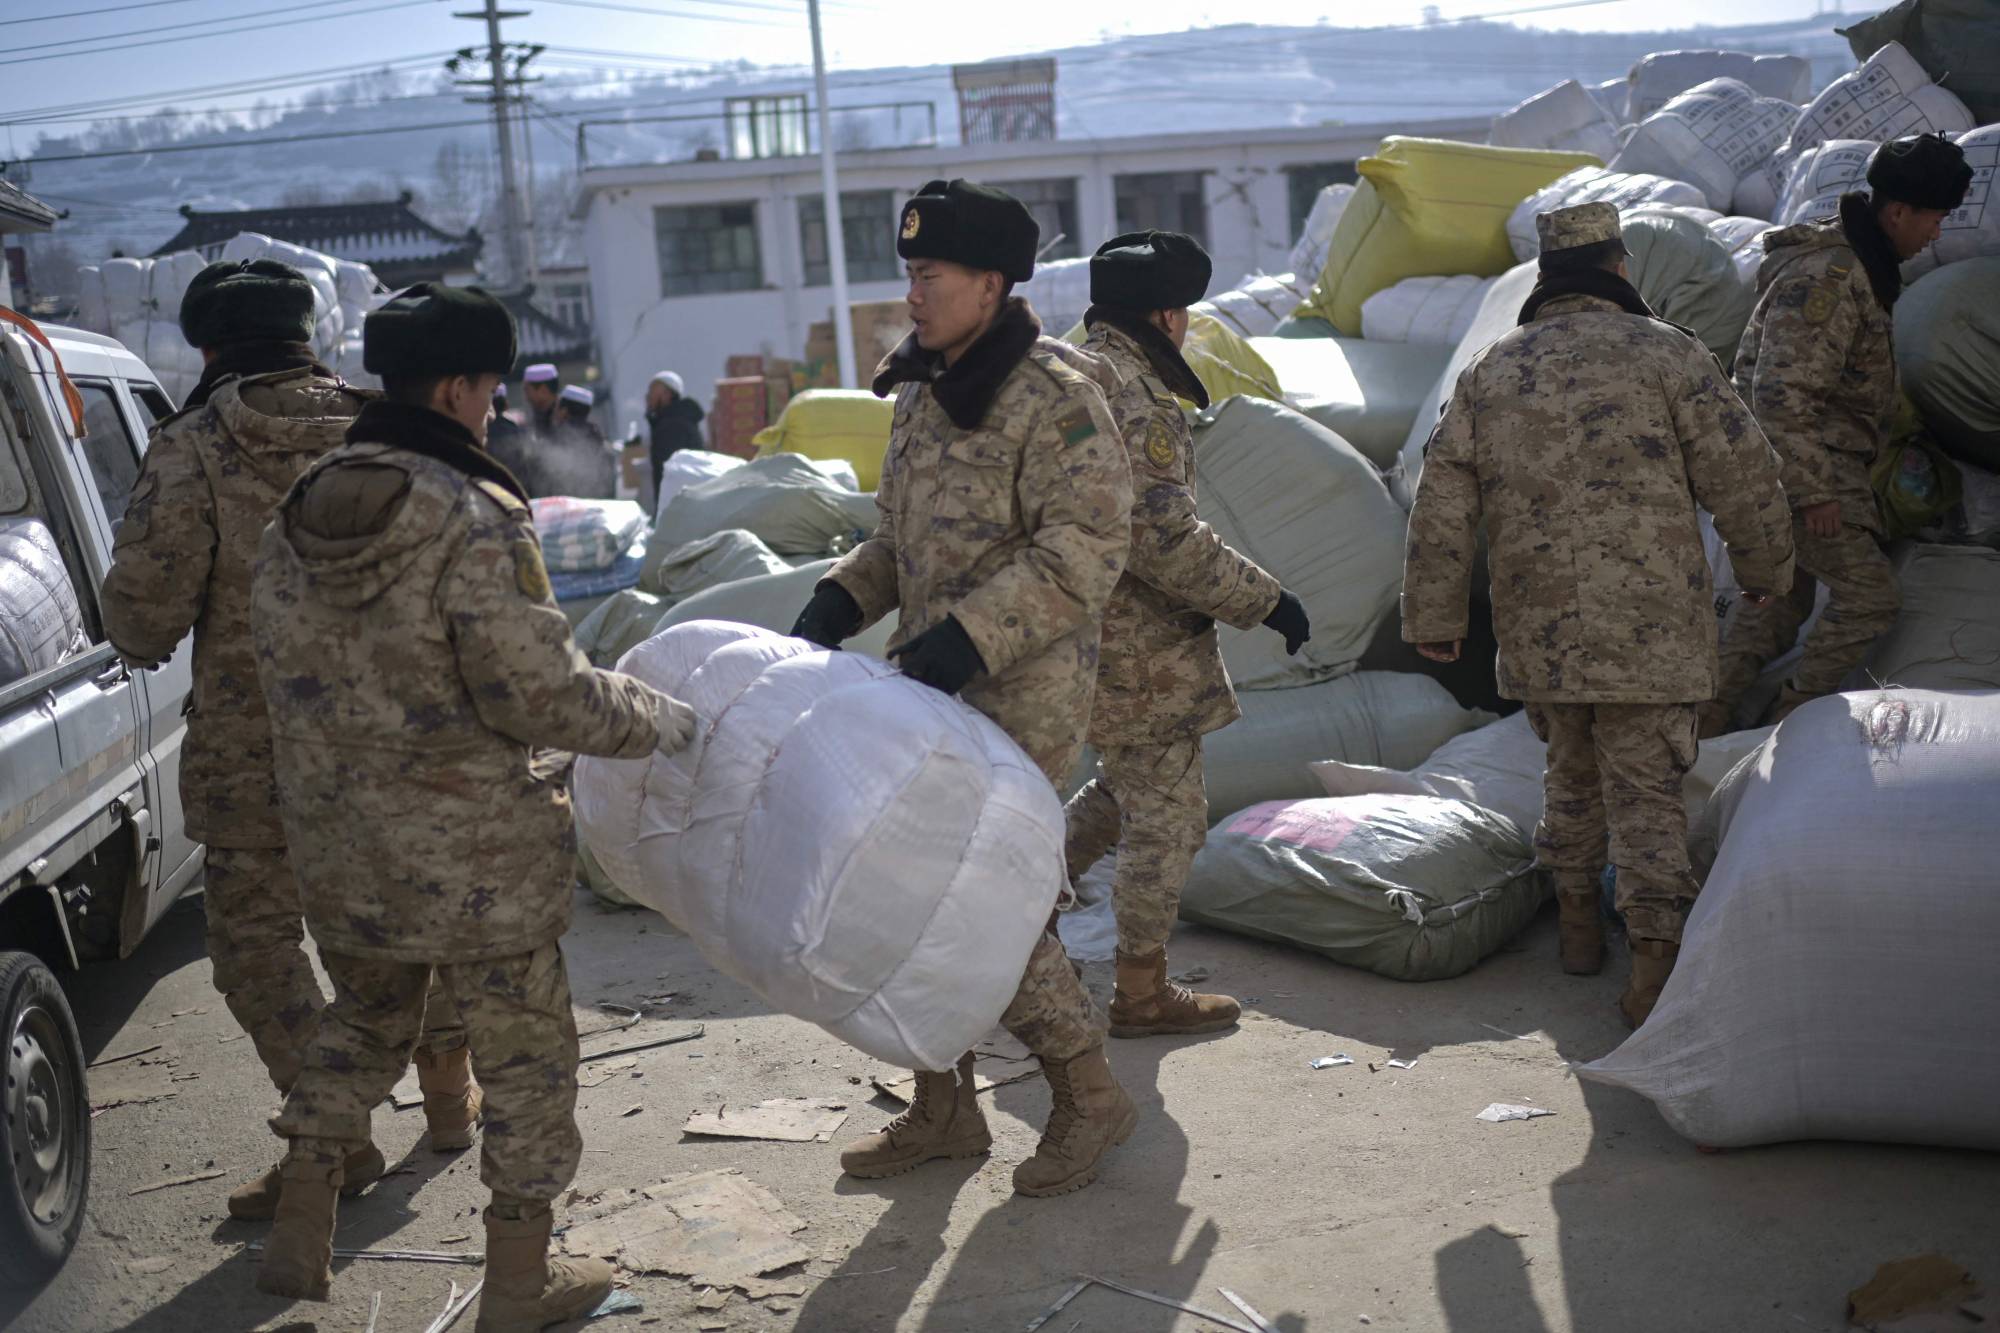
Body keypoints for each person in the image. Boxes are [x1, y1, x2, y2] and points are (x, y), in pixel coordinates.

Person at [248, 283, 697, 1323]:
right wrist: (657, 719)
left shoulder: (297, 511)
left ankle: (304, 1215)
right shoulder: (468, 512)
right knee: (528, 1060)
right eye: (489, 392)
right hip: (475, 857)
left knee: (364, 1017)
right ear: (455, 389)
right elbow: (538, 692)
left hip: (340, 844)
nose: (493, 412)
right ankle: (518, 1283)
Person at [96, 260, 480, 1222]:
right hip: (399, 740)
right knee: (409, 918)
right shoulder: (395, 428)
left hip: (255, 755)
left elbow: (142, 620)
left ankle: (335, 1139)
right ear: (308, 339)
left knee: (257, 949)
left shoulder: (189, 447)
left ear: (208, 349)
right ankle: (448, 1095)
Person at [789, 179, 1138, 1197]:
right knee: (910, 892)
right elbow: (898, 540)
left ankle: (1088, 1094)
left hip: (1020, 692)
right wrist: (839, 599)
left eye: (930, 275)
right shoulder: (922, 388)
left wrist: (968, 637)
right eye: (909, 272)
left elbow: (1087, 548)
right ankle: (943, 1105)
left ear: (990, 283)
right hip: (929, 682)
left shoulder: (1055, 395)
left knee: (988, 901)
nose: (913, 293)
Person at [1400, 203, 1795, 1028]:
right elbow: (1742, 470)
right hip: (1652, 628)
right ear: (1619, 267)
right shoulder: (1669, 353)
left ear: (1548, 276)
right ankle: (1651, 963)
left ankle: (1578, 926)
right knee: (1647, 791)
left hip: (1540, 631)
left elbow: (1441, 500)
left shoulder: (1493, 369)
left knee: (1570, 771)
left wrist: (1436, 613)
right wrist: (1765, 571)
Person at [1059, 230, 1310, 1036]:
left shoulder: (1074, 373)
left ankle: (1017, 919)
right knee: (1168, 818)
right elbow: (1161, 538)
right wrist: (1267, 601)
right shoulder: (1135, 396)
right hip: (1138, 648)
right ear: (1167, 317)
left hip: (1081, 633)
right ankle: (1140, 993)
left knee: (1123, 791)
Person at [1701, 132, 1974, 735]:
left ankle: (1707, 721)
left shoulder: (1855, 266)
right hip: (1808, 469)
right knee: (1870, 599)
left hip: (1803, 465)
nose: (1935, 235)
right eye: (1932, 220)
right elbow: (1780, 394)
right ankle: (1791, 723)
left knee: (1782, 603)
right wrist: (1813, 492)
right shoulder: (1830, 276)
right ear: (1897, 213)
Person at [645, 370, 705, 494]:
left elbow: (672, 473)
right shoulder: (672, 420)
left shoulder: (672, 426)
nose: (648, 397)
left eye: (653, 392)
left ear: (667, 394)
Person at [521, 361, 561, 436]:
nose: (526, 397)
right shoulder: (534, 418)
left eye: (527, 391)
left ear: (543, 390)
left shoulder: (564, 419)